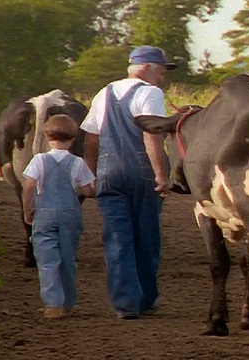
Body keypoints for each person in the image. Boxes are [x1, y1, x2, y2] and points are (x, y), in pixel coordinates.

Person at [80, 45, 176, 319]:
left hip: (109, 173)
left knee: (117, 238)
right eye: (161, 70)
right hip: (141, 172)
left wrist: (90, 173)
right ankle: (145, 298)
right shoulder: (150, 93)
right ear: (146, 67)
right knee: (145, 235)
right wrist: (160, 174)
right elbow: (151, 136)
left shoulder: (104, 93)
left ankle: (125, 303)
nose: (163, 77)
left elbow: (91, 138)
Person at [22, 114, 96, 319]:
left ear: (47, 137)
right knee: (67, 258)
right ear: (73, 139)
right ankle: (67, 301)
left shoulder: (39, 160)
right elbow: (87, 190)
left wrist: (27, 208)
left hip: (44, 215)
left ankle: (53, 303)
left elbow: (29, 186)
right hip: (69, 215)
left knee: (47, 259)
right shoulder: (78, 163)